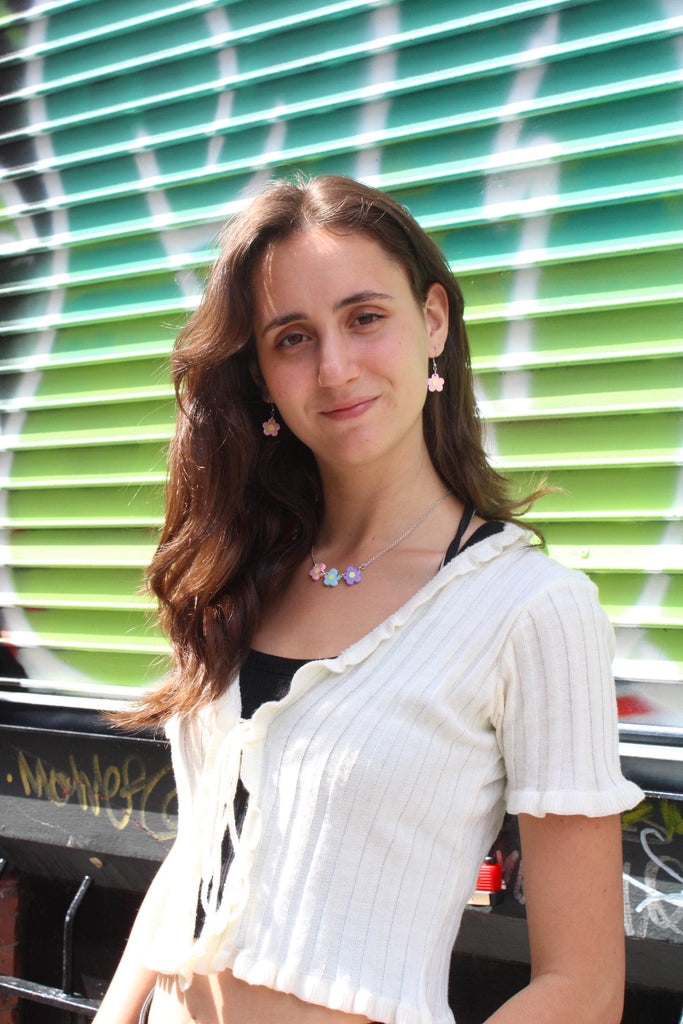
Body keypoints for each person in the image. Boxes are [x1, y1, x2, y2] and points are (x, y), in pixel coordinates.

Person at [94, 174, 643, 1024]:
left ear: (431, 320)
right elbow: (200, 855)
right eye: (291, 338)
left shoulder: (530, 608)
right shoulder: (243, 572)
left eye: (364, 318)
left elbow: (581, 986)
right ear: (262, 375)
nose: (334, 368)